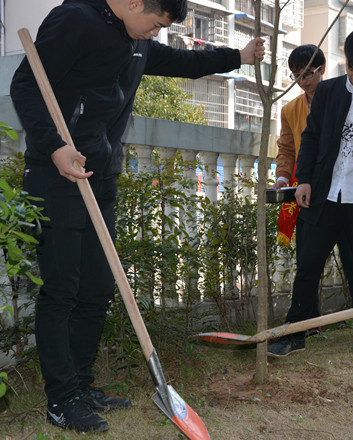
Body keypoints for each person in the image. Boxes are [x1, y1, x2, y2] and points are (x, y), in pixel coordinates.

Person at [10, 0, 264, 433]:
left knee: (97, 285)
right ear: (133, 3)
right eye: (156, 23)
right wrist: (55, 147)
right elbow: (25, 87)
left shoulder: (137, 39)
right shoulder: (76, 20)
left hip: (101, 175)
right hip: (58, 177)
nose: (155, 33)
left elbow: (184, 62)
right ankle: (61, 398)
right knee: (62, 288)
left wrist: (237, 57)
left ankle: (82, 384)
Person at [267, 28, 353, 359]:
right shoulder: (328, 91)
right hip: (324, 196)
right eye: (351, 69)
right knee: (308, 265)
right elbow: (311, 137)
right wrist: (303, 180)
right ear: (344, 63)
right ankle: (295, 333)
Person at [271, 44, 353, 340]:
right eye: (295, 75)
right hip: (309, 194)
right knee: (307, 261)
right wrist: (283, 177)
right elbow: (286, 148)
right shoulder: (290, 109)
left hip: (347, 192)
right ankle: (306, 322)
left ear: (322, 69)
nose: (301, 80)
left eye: (307, 73)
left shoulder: (347, 98)